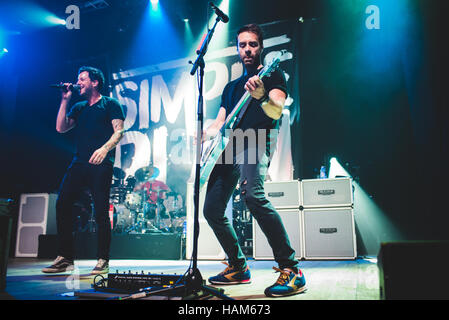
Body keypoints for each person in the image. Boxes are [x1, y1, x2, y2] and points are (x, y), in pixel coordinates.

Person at [202, 24, 306, 297]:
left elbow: (275, 111)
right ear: (237, 49)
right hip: (229, 146)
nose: (247, 49)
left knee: (253, 196)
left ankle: (291, 269)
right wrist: (204, 134)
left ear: (261, 48)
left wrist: (260, 96)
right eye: (242, 45)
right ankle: (238, 266)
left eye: (252, 44)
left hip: (255, 141)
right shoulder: (231, 87)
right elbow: (220, 123)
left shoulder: (273, 76)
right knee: (211, 209)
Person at [42, 66, 125, 275]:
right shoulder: (79, 107)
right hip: (79, 162)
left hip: (101, 164)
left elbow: (119, 131)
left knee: (100, 211)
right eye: (78, 79)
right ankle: (65, 257)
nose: (78, 82)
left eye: (82, 79)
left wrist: (104, 149)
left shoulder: (110, 104)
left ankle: (103, 259)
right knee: (62, 204)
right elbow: (61, 128)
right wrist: (64, 99)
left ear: (95, 82)